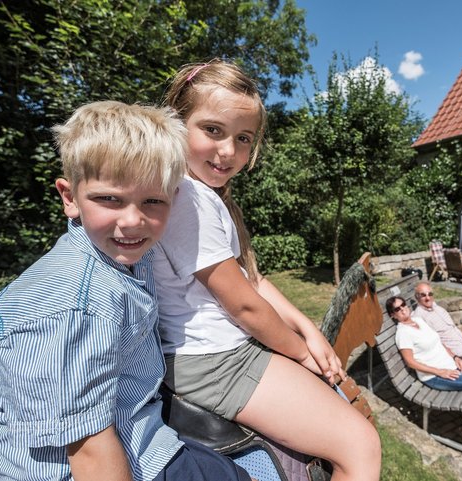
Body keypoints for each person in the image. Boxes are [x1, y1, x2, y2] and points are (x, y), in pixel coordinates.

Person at [0, 101, 251, 481]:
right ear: (69, 197)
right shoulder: (74, 307)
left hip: (144, 437)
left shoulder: (129, 259)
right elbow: (89, 453)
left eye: (153, 201)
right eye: (110, 199)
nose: (133, 221)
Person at [153, 59, 381, 481]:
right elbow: (245, 308)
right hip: (213, 359)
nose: (228, 151)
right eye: (212, 130)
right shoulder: (189, 200)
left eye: (243, 138)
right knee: (360, 444)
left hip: (224, 349)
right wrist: (302, 355)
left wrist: (308, 330)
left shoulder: (207, 196)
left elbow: (253, 279)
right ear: (176, 123)